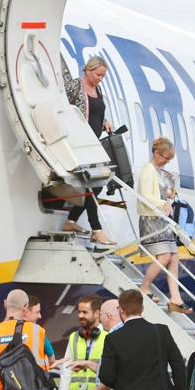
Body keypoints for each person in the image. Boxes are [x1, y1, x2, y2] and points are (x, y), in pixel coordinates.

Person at [63, 55, 115, 247]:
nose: (100, 79)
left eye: (102, 76)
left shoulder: (97, 89)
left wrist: (104, 122)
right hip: (78, 144)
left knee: (97, 185)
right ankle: (97, 229)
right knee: (93, 184)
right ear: (88, 70)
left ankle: (71, 221)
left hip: (94, 144)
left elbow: (96, 113)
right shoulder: (75, 85)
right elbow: (61, 108)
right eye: (98, 74)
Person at [137, 137, 191, 313]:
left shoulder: (159, 172)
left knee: (174, 256)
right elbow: (145, 194)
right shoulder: (148, 170)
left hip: (161, 218)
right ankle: (144, 287)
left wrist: (169, 193)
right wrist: (163, 203)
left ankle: (175, 298)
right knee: (165, 257)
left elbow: (158, 192)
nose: (167, 162)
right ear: (156, 153)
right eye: (165, 158)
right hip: (150, 219)